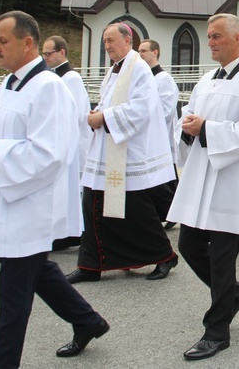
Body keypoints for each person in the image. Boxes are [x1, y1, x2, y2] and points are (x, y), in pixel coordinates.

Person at [0, 11, 108, 368]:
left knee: (13, 294)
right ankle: (88, 321)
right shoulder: (11, 82)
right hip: (9, 197)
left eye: (2, 41)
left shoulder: (50, 88)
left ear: (27, 43)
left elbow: (49, 153)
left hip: (31, 204)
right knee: (37, 271)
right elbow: (4, 135)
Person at [167, 14, 239, 361]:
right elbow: (189, 118)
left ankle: (217, 332)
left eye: (216, 36)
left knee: (223, 258)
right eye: (208, 36)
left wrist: (207, 128)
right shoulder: (207, 79)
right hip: (201, 180)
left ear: (237, 38)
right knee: (189, 245)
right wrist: (187, 128)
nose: (210, 42)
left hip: (231, 182)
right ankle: (236, 295)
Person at [67, 23, 179, 284]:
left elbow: (141, 108)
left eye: (111, 40)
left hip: (129, 153)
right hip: (108, 151)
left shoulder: (138, 68)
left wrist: (103, 118)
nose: (106, 46)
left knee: (137, 211)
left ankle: (165, 256)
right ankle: (91, 265)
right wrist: (98, 113)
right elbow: (110, 102)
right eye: (104, 41)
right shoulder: (115, 69)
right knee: (94, 203)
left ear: (127, 40)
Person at [43, 35, 91, 250]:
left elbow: (78, 112)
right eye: (43, 54)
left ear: (62, 52)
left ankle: (74, 233)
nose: (45, 58)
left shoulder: (71, 78)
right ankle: (65, 233)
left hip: (73, 143)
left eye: (49, 53)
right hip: (62, 141)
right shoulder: (54, 77)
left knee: (72, 191)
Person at [138, 39, 180, 223]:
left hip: (160, 139)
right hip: (146, 138)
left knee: (165, 182)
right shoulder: (144, 78)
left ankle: (173, 213)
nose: (140, 54)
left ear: (155, 52)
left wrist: (143, 120)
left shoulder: (163, 79)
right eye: (138, 51)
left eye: (144, 51)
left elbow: (166, 110)